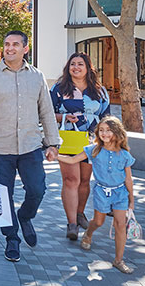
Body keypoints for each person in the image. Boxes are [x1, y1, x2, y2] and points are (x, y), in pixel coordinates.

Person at [0, 30, 60, 263]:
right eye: (6, 44)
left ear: (25, 48)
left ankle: (25, 216)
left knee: (37, 189)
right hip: (0, 148)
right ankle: (11, 238)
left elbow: (46, 111)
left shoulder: (37, 76)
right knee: (4, 196)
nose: (9, 48)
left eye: (15, 44)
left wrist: (53, 143)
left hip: (31, 146)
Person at [57, 116, 136, 274]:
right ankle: (88, 233)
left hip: (120, 193)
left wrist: (131, 201)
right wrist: (55, 156)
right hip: (101, 192)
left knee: (120, 225)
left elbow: (128, 179)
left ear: (117, 132)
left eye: (108, 130)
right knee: (98, 222)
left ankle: (118, 260)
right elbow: (73, 161)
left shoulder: (125, 155)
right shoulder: (94, 150)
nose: (104, 133)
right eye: (101, 130)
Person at [49, 52, 111, 241]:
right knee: (71, 180)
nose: (76, 67)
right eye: (72, 64)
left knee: (85, 180)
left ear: (88, 68)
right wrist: (64, 117)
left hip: (93, 141)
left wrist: (108, 142)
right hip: (68, 139)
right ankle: (72, 224)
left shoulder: (99, 91)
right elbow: (46, 113)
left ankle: (79, 213)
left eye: (80, 64)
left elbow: (106, 117)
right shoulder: (59, 89)